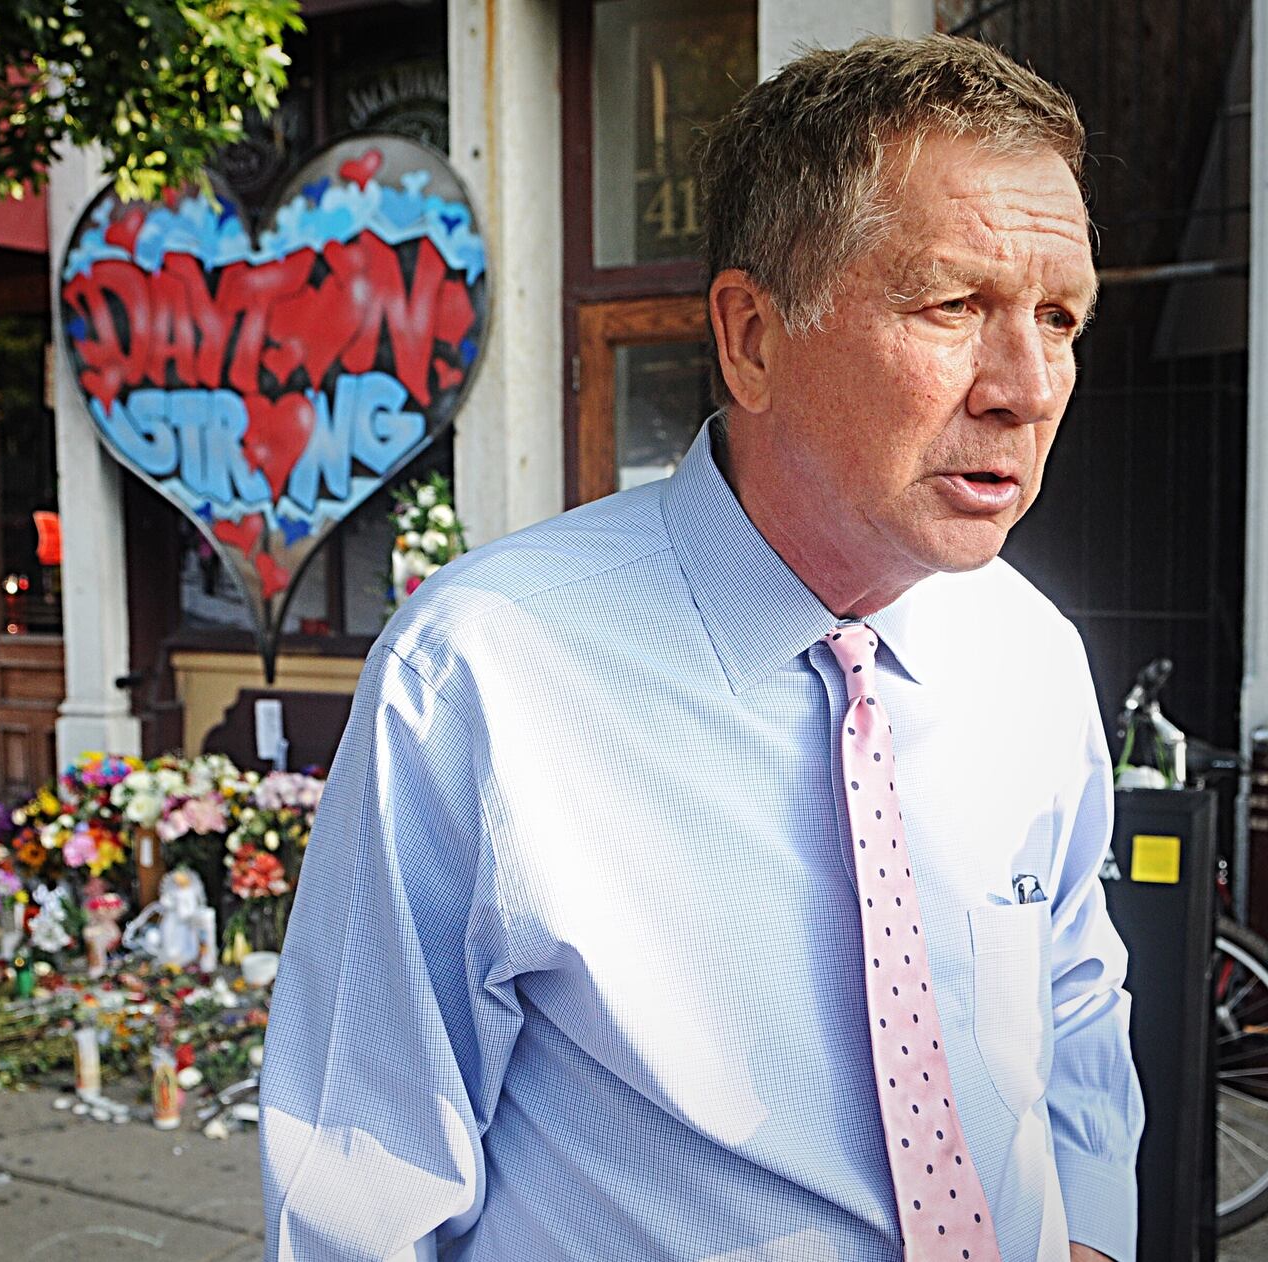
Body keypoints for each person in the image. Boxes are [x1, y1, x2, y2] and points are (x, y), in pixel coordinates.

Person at [260, 33, 1141, 1262]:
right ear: (752, 337)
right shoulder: (485, 673)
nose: (1028, 385)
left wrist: (1090, 1231)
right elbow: (362, 1179)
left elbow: (1068, 994)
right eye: (956, 305)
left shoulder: (1031, 655)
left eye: (1059, 317)